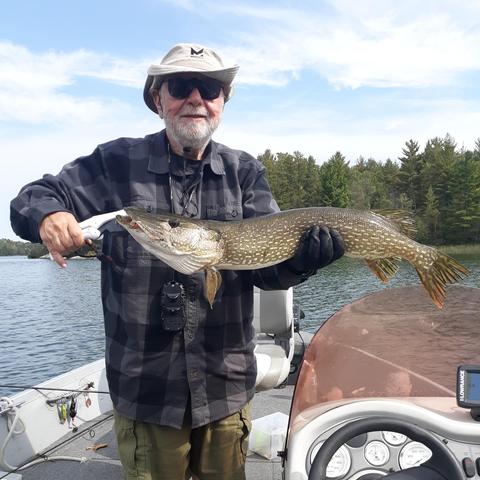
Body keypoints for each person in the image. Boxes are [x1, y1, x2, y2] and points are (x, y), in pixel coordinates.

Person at [10, 43, 344, 480]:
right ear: (158, 99)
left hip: (224, 390)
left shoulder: (244, 173)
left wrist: (305, 259)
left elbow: (267, 270)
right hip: (148, 393)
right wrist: (48, 215)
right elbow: (32, 197)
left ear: (223, 102)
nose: (196, 98)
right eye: (182, 86)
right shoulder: (118, 162)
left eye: (210, 88)